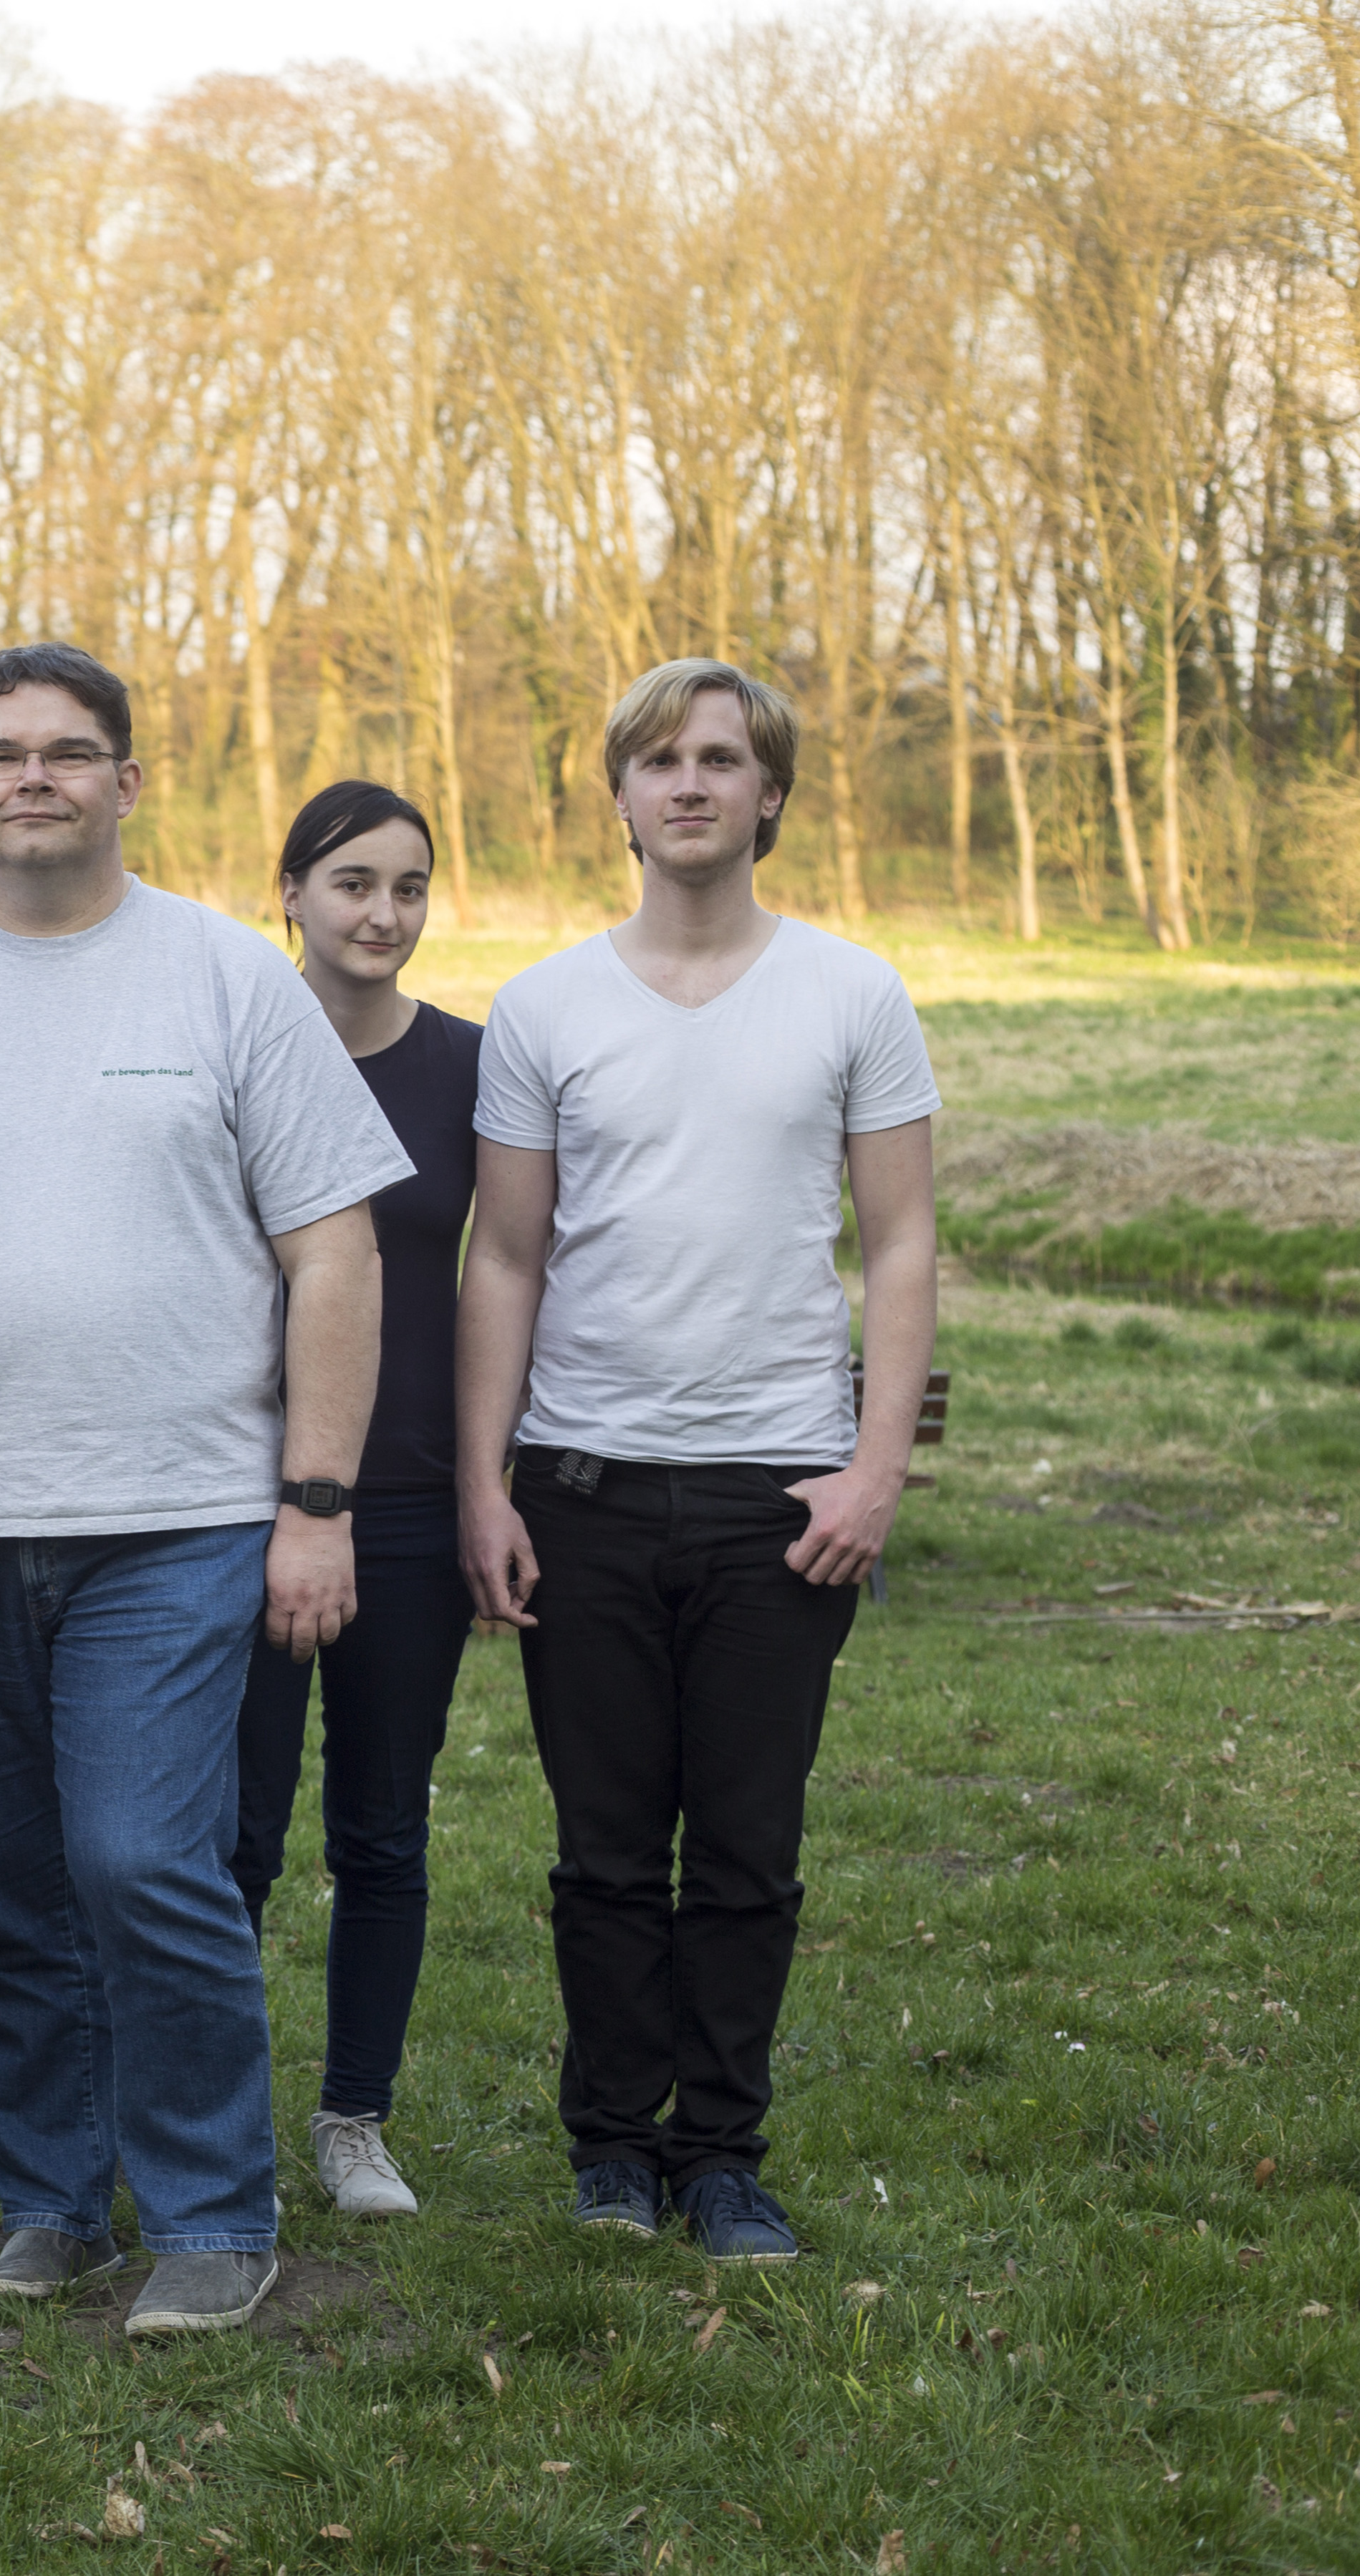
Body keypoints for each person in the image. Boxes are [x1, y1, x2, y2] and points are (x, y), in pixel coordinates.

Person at [0, 642, 407, 2339]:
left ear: (127, 782)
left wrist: (316, 1497)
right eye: (3, 751)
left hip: (181, 1512)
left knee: (143, 1856)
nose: (35, 776)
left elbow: (335, 1252)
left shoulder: (225, 979)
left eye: (70, 751)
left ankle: (215, 2211)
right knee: (13, 1884)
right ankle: (53, 2202)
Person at [457, 658, 938, 2266]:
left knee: (745, 1850)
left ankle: (722, 2154)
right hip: (582, 1487)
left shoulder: (851, 993)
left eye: (721, 759)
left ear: (768, 792)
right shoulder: (544, 1007)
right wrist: (482, 1484)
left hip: (780, 1497)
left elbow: (900, 1240)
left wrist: (874, 1470)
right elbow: (504, 1257)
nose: (689, 784)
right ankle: (611, 2146)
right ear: (618, 794)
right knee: (604, 1852)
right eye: (658, 760)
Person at [223, 781, 482, 2222]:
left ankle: (355, 2118)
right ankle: (214, 2117)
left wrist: (489, 1484)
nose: (382, 913)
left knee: (382, 1826)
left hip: (411, 1504)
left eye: (408, 886)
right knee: (234, 1834)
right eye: (352, 883)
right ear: (291, 893)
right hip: (246, 1494)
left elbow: (503, 1277)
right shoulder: (240, 1046)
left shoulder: (468, 1067)